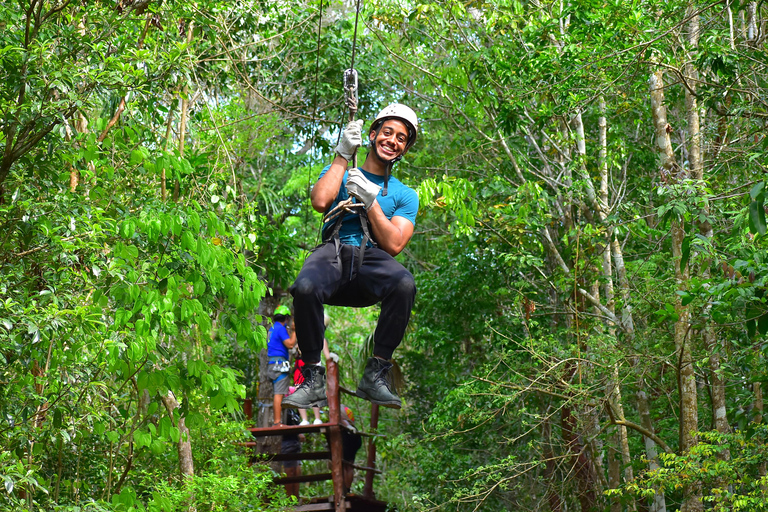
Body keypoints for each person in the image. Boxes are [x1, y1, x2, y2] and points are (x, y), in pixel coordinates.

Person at [284, 104, 419, 411]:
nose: (392, 141)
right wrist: (343, 155)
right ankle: (313, 378)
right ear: (373, 135)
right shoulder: (340, 171)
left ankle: (376, 373)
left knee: (404, 284)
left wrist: (371, 202)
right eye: (387, 132)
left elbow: (395, 244)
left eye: (401, 138)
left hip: (370, 259)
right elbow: (320, 201)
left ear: (404, 149)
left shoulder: (404, 194)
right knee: (304, 288)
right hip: (333, 251)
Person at [266, 305, 297, 426]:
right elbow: (290, 344)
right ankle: (277, 422)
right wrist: (294, 331)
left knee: (278, 393)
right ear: (286, 318)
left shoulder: (272, 328)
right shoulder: (280, 328)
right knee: (278, 393)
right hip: (279, 365)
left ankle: (278, 421)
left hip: (272, 364)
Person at [280, 407, 304, 498]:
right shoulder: (284, 410)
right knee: (289, 471)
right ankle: (289, 498)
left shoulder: (294, 411)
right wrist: (297, 432)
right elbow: (279, 424)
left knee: (297, 470)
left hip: (295, 443)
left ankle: (296, 497)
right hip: (286, 442)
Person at [339, 404, 363, 494]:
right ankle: (347, 488)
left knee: (343, 464)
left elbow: (342, 420)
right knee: (349, 464)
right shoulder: (346, 408)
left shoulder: (338, 407)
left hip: (347, 434)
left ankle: (343, 489)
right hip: (354, 433)